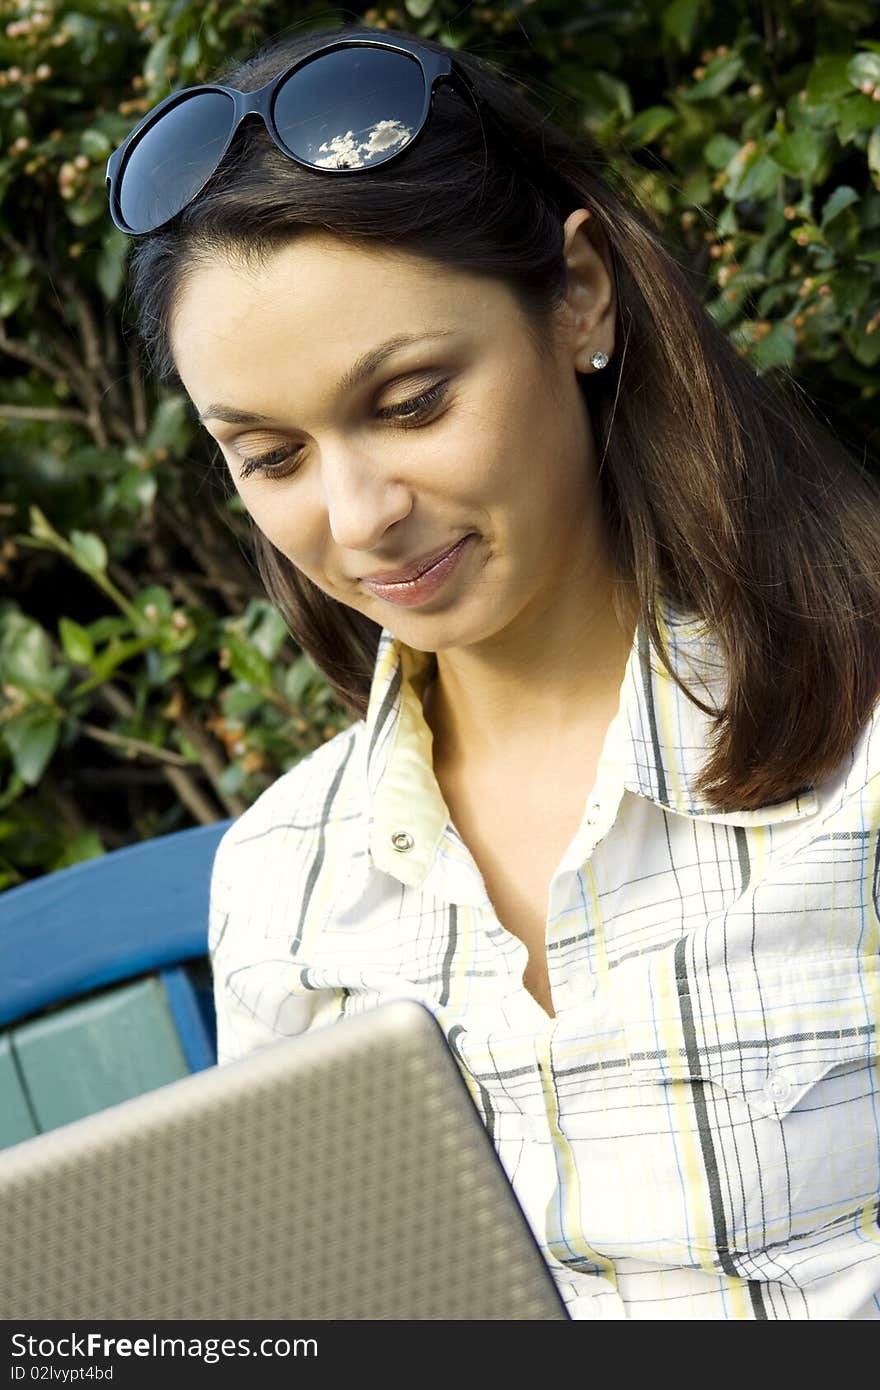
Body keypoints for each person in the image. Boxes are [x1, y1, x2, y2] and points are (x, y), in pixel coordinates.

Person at [109, 22, 880, 1319]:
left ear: (579, 299)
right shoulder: (285, 881)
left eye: (410, 401)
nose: (357, 519)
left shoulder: (856, 742)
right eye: (271, 454)